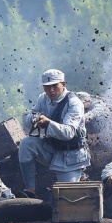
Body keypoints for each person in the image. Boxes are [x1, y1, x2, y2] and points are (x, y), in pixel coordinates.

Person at [19, 69, 90, 198]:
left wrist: (47, 122)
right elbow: (31, 115)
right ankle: (30, 190)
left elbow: (68, 133)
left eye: (54, 86)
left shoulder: (74, 103)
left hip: (71, 155)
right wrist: (34, 119)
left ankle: (80, 176)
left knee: (67, 197)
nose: (51, 90)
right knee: (26, 143)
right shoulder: (43, 98)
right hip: (51, 148)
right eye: (47, 87)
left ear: (63, 84)